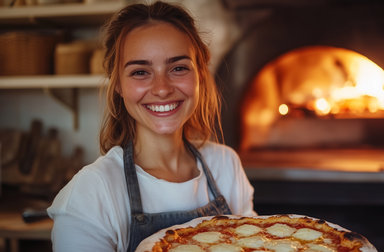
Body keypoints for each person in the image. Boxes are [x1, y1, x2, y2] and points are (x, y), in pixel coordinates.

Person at [47, 1, 256, 251]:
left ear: (200, 74)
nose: (162, 88)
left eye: (178, 68)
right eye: (140, 72)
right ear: (118, 85)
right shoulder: (90, 195)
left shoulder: (226, 166)